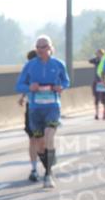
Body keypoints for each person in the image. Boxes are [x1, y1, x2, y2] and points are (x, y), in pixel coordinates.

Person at [15, 35, 70, 189]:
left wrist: (61, 87)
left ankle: (48, 173)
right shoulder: (30, 65)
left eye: (43, 46)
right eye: (38, 47)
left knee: (49, 136)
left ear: (50, 48)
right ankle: (48, 165)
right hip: (35, 108)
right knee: (39, 144)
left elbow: (66, 82)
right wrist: (29, 88)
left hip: (52, 106)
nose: (40, 50)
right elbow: (19, 85)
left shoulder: (58, 64)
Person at [18, 49, 41, 182]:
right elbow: (25, 85)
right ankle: (34, 169)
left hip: (46, 110)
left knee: (42, 140)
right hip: (31, 108)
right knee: (33, 139)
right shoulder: (29, 71)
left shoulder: (48, 69)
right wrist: (22, 97)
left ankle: (47, 163)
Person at [90, 48, 105, 120]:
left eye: (99, 53)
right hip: (96, 81)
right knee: (96, 98)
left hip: (103, 81)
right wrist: (97, 58)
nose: (98, 55)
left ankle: (104, 113)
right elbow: (90, 61)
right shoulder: (96, 61)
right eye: (97, 54)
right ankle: (96, 114)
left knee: (103, 99)